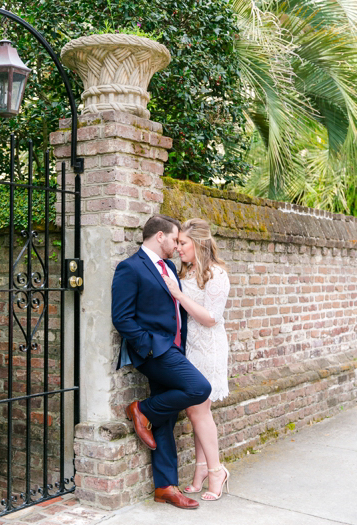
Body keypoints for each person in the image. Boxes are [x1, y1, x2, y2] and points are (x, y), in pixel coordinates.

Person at [111, 214, 212, 510]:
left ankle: (165, 487)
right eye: (174, 238)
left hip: (175, 350)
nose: (177, 245)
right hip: (154, 352)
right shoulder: (130, 268)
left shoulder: (168, 266)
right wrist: (150, 347)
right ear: (160, 237)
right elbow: (122, 318)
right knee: (199, 388)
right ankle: (140, 410)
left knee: (165, 419)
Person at [161, 218, 230, 501]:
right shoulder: (187, 272)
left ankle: (216, 471)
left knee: (199, 411)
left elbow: (211, 319)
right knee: (195, 411)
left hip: (210, 348)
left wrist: (178, 295)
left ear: (199, 243)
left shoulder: (216, 275)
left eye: (183, 243)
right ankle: (201, 469)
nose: (178, 248)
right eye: (176, 242)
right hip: (191, 348)